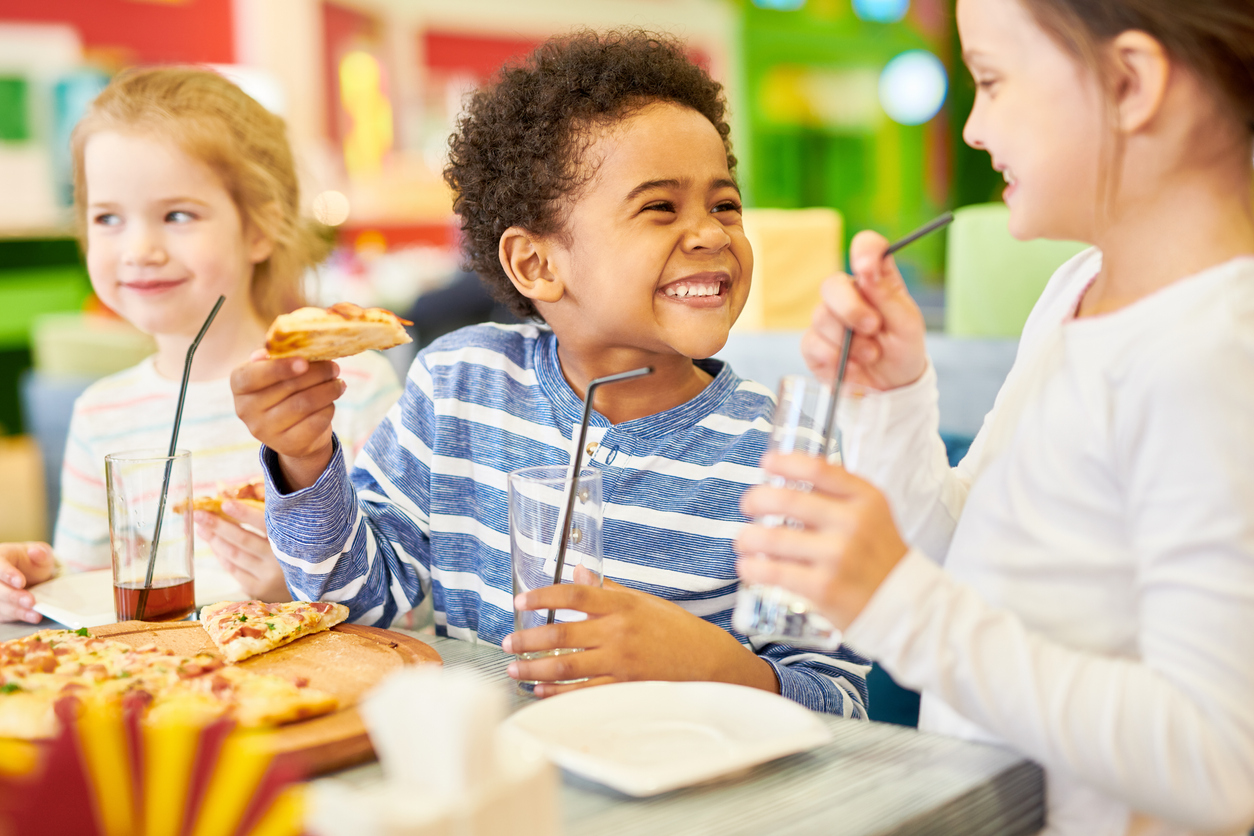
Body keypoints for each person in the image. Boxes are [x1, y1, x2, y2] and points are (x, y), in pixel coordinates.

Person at [232, 30, 870, 714]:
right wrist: (303, 460)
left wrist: (718, 666)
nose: (712, 233)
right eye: (660, 207)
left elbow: (841, 704)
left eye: (725, 205)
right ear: (537, 264)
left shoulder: (782, 453)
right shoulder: (459, 385)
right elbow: (355, 603)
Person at [736, 0, 1254, 832]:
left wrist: (902, 606)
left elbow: (1224, 762)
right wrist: (898, 396)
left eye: (991, 81)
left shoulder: (1214, 354)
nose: (973, 129)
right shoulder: (1077, 291)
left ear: (1129, 83)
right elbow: (962, 558)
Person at [0, 68, 401, 623]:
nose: (139, 248)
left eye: (178, 215)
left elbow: (410, 604)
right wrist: (34, 582)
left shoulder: (350, 390)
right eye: (108, 217)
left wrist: (299, 581)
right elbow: (89, 600)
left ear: (260, 229)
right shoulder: (99, 413)